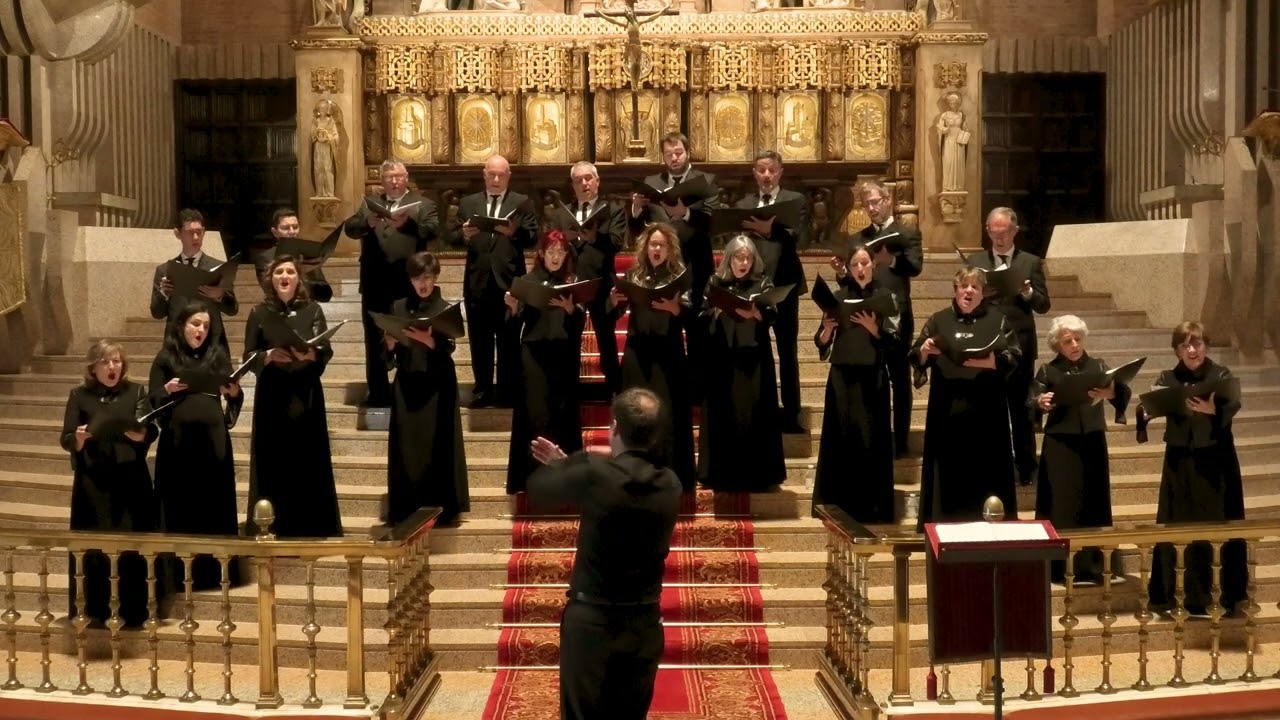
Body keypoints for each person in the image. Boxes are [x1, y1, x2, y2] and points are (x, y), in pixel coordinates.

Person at [525, 387, 682, 720]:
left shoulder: (594, 474)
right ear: (654, 435)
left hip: (592, 624)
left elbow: (539, 490)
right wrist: (575, 466)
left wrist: (569, 465)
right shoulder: (671, 484)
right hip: (644, 624)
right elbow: (612, 487)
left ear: (614, 428)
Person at [1143, 322, 1246, 616]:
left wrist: (1214, 411)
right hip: (1180, 463)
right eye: (1185, 345)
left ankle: (1224, 593)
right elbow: (1152, 406)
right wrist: (1145, 413)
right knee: (1177, 523)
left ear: (1206, 345)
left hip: (1216, 462)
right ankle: (1170, 593)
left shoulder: (1220, 374)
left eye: (1197, 343)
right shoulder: (1167, 378)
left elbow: (1232, 403)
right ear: (1176, 350)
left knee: (1216, 524)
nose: (1192, 350)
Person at [910, 267, 1020, 530]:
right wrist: (924, 351)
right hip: (947, 409)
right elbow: (916, 356)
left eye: (975, 287)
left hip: (987, 410)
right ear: (955, 290)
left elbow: (1014, 355)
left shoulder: (999, 319)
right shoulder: (938, 320)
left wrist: (994, 361)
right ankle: (944, 527)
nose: (968, 291)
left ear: (983, 293)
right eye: (964, 286)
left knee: (988, 471)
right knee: (948, 473)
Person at [60, 340, 160, 627]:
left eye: (116, 361)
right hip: (93, 483)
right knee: (94, 545)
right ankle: (92, 609)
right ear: (93, 367)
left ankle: (133, 610)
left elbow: (149, 428)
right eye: (105, 362)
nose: (112, 367)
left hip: (130, 481)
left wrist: (141, 435)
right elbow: (66, 437)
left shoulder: (136, 392)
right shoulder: (79, 395)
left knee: (130, 544)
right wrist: (77, 439)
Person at [242, 255, 343, 538]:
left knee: (307, 458)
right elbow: (248, 357)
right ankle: (273, 526)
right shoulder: (259, 313)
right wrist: (268, 355)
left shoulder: (312, 310)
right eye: (278, 272)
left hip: (305, 392)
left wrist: (312, 352)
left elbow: (325, 348)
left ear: (298, 279)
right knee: (273, 459)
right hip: (272, 395)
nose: (284, 276)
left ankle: (311, 526)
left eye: (290, 272)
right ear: (270, 279)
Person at [148, 304, 244, 590]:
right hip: (178, 443)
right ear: (180, 326)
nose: (200, 330)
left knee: (213, 502)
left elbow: (234, 396)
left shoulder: (217, 356)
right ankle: (176, 574)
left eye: (205, 325)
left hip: (212, 442)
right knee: (180, 502)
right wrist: (166, 391)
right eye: (194, 324)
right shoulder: (166, 357)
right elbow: (149, 402)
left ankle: (215, 573)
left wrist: (234, 392)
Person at [1030, 315, 1130, 582]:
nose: (1074, 344)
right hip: (1060, 443)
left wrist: (1111, 394)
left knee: (1093, 499)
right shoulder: (1048, 370)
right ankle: (1059, 567)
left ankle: (1094, 566)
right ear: (1057, 345)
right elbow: (1032, 399)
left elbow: (1121, 390)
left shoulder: (1098, 366)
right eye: (1067, 341)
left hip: (1093, 440)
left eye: (1077, 339)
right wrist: (1041, 401)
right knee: (1062, 504)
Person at [833, 181, 922, 458]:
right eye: (867, 203)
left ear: (888, 200)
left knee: (899, 378)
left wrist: (890, 260)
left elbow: (916, 267)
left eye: (875, 202)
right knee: (871, 377)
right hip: (865, 314)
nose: (871, 208)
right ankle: (873, 435)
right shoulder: (857, 239)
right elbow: (852, 277)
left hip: (895, 314)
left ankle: (901, 441)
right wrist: (840, 272)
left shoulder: (907, 233)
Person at [812, 245, 898, 524]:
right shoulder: (837, 297)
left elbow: (895, 345)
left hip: (872, 376)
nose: (860, 269)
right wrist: (827, 328)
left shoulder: (886, 298)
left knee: (871, 439)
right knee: (841, 438)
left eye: (865, 263)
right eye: (855, 264)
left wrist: (875, 330)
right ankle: (836, 504)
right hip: (841, 377)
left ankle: (872, 507)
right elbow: (822, 343)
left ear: (873, 265)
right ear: (848, 269)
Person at [343, 160, 440, 408]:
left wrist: (407, 224)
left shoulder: (423, 204)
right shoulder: (369, 205)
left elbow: (432, 231)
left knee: (409, 338)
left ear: (406, 177)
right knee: (374, 339)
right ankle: (377, 392)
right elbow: (350, 228)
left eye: (398, 176)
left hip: (407, 286)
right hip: (375, 283)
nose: (394, 181)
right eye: (389, 177)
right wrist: (368, 223)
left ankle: (410, 387)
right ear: (382, 180)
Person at [384, 252, 470, 526]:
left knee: (438, 444)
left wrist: (430, 342)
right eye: (417, 279)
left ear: (435, 278)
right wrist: (388, 344)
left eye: (427, 278)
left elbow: (449, 347)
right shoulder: (398, 307)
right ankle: (406, 506)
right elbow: (387, 359)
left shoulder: (444, 308)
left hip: (437, 385)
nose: (422, 284)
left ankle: (441, 507)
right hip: (407, 383)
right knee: (407, 447)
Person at [967, 207, 1051, 485]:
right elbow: (962, 302)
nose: (999, 237)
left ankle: (1027, 466)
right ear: (988, 231)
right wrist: (980, 296)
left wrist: (1026, 291)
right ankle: (990, 465)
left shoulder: (1030, 262)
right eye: (994, 231)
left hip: (1020, 347)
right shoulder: (976, 261)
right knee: (987, 409)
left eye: (1004, 232)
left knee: (1022, 409)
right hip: (987, 343)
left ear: (1015, 231)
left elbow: (1043, 305)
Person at [610, 223, 696, 491]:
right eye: (653, 244)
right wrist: (614, 302)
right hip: (638, 352)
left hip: (668, 353)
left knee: (668, 413)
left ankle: (671, 474)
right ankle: (634, 474)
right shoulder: (634, 274)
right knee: (634, 412)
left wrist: (676, 309)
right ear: (645, 248)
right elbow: (613, 315)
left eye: (662, 245)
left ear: (670, 249)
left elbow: (695, 320)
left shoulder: (679, 275)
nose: (657, 249)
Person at [696, 235, 784, 492]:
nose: (743, 262)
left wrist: (757, 313)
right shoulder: (715, 281)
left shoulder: (763, 283)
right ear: (729, 259)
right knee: (723, 412)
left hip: (754, 360)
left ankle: (759, 474)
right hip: (723, 358)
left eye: (748, 258)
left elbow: (772, 314)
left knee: (754, 413)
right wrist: (717, 311)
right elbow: (701, 315)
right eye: (738, 257)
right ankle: (719, 473)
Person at [454, 155, 539, 408]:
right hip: (477, 282)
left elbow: (533, 237)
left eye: (501, 174)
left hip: (510, 282)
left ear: (509, 176)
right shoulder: (469, 203)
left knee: (509, 340)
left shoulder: (522, 203)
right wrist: (464, 235)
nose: (496, 179)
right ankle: (482, 390)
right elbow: (450, 236)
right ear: (484, 175)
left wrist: (515, 232)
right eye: (491, 174)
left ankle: (506, 391)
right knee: (479, 339)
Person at [504, 231, 586, 494]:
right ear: (541, 254)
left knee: (562, 413)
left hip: (563, 355)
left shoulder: (571, 282)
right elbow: (514, 326)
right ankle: (531, 477)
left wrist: (571, 310)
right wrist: (513, 309)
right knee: (535, 414)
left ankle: (567, 478)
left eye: (560, 252)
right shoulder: (528, 282)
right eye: (550, 251)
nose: (555, 256)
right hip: (534, 354)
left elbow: (578, 326)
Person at [735, 150, 809, 433]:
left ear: (780, 172)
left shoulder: (794, 200)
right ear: (754, 173)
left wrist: (769, 229)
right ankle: (760, 409)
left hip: (785, 287)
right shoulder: (745, 204)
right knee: (755, 350)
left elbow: (797, 236)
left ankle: (792, 414)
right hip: (754, 287)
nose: (766, 175)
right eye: (761, 170)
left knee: (787, 351)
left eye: (771, 170)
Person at [546, 161, 626, 392]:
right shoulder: (562, 214)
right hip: (571, 283)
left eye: (588, 178)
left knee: (606, 339)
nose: (584, 183)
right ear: (572, 186)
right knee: (570, 337)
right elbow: (552, 244)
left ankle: (613, 388)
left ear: (597, 181)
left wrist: (594, 238)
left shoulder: (613, 210)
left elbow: (617, 243)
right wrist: (564, 238)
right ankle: (569, 388)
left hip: (601, 282)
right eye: (579, 180)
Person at [628, 132, 721, 314]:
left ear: (687, 152)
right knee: (666, 328)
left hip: (696, 265)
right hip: (661, 269)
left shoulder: (705, 181)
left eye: (678, 152)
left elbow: (714, 222)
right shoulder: (652, 182)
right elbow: (639, 231)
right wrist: (637, 209)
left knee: (697, 327)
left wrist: (685, 213)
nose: (674, 158)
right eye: (668, 154)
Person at [150, 208, 239, 355]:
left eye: (199, 232)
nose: (196, 237)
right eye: (190, 232)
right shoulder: (165, 270)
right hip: (178, 346)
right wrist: (164, 294)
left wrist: (219, 295)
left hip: (212, 346)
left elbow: (232, 309)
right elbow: (157, 313)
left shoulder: (218, 267)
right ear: (178, 234)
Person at [252, 209, 333, 302]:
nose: (292, 232)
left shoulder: (307, 252)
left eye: (295, 227)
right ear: (274, 232)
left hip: (307, 307)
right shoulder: (265, 258)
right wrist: (299, 273)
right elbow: (270, 290)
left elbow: (323, 294)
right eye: (286, 228)